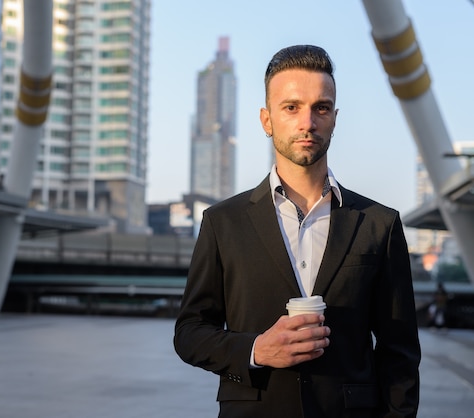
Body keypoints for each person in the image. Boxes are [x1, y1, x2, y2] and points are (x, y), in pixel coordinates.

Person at [174, 45, 421, 417]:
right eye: (291, 107)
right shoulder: (223, 222)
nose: (308, 122)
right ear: (267, 120)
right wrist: (256, 350)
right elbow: (190, 332)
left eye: (321, 108)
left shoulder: (379, 224)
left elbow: (399, 354)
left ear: (334, 118)